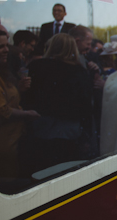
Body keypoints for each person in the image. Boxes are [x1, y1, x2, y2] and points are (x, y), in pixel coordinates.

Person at [26, 33, 94, 173]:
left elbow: (29, 96)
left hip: (41, 127)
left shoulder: (36, 67)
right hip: (69, 130)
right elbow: (85, 105)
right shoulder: (79, 71)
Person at [0, 28, 39, 183]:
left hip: (13, 142)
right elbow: (1, 110)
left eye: (6, 46)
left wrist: (19, 90)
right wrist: (28, 115)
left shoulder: (1, 72)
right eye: (0, 47)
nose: (6, 50)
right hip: (3, 146)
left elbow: (8, 100)